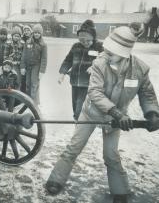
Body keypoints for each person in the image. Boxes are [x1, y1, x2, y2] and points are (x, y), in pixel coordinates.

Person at [45, 26, 159, 203]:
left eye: (112, 52)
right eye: (107, 49)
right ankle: (56, 179)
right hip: (91, 113)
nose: (106, 53)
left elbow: (147, 94)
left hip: (115, 119)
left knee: (111, 155)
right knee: (73, 148)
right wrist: (116, 112)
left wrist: (152, 113)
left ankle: (120, 190)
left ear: (125, 53)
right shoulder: (99, 64)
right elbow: (95, 92)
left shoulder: (139, 70)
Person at [58, 20, 103, 120]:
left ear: (93, 38)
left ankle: (79, 122)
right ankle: (77, 120)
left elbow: (105, 60)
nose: (85, 43)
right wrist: (62, 73)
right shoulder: (76, 47)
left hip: (88, 82)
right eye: (82, 41)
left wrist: (95, 67)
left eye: (88, 41)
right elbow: (68, 60)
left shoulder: (98, 47)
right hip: (75, 81)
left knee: (80, 106)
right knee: (75, 105)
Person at [20, 24, 47, 105]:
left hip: (36, 66)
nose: (36, 34)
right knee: (28, 83)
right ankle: (27, 101)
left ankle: (34, 103)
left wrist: (42, 71)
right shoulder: (28, 42)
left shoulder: (43, 45)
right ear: (33, 33)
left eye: (38, 33)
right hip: (28, 66)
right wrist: (22, 66)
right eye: (35, 33)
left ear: (41, 34)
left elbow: (44, 59)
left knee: (34, 84)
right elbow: (24, 55)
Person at [20, 25, 32, 93]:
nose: (26, 32)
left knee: (29, 81)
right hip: (22, 61)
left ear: (31, 31)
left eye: (28, 30)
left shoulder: (32, 39)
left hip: (29, 62)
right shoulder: (22, 39)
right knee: (22, 80)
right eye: (25, 30)